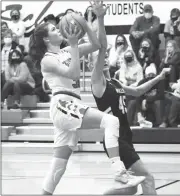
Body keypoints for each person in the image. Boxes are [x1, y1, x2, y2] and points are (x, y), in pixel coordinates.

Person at [29, 2, 145, 195]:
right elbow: (74, 74)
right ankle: (120, 172)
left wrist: (94, 20)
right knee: (111, 121)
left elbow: (97, 45)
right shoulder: (47, 59)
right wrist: (74, 45)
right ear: (46, 39)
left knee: (59, 165)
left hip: (71, 104)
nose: (58, 30)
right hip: (63, 103)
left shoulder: (67, 51)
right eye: (53, 29)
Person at [91, 2, 171, 195]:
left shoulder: (116, 83)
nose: (102, 61)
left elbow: (137, 91)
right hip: (116, 139)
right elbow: (102, 47)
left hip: (126, 136)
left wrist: (159, 77)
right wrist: (101, 18)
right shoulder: (98, 83)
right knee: (148, 179)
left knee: (131, 189)